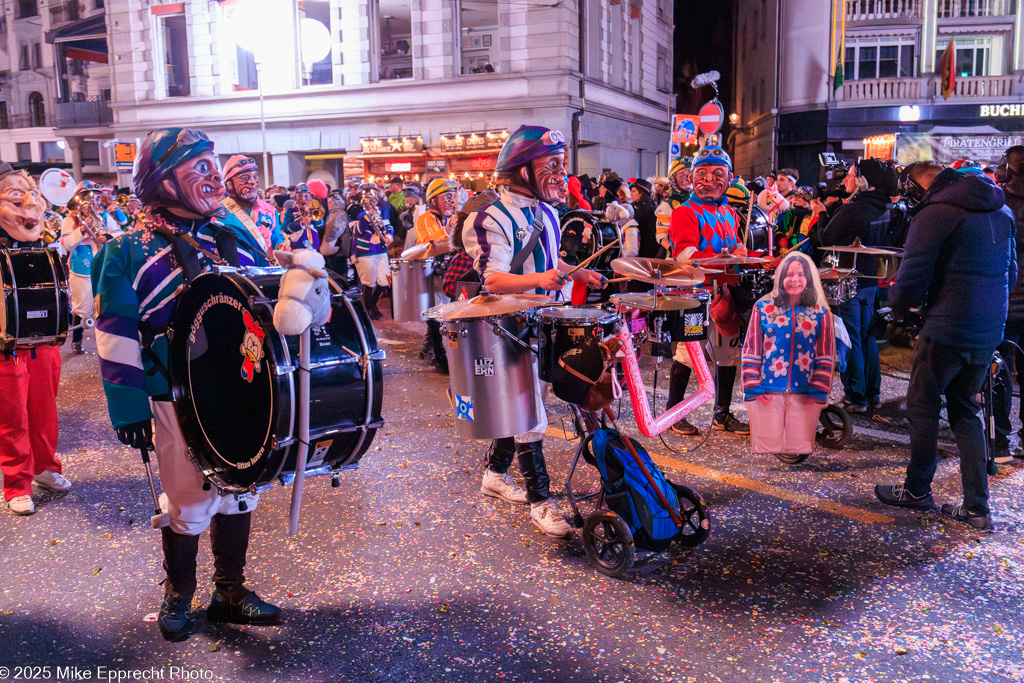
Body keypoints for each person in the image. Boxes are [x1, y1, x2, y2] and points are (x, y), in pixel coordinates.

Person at [92, 128, 281, 641]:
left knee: (242, 489)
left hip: (242, 389)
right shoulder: (125, 249)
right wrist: (128, 406)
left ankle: (230, 591)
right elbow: (114, 332)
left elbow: (267, 298)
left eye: (212, 164)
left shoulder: (234, 233)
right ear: (163, 181)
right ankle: (178, 591)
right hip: (173, 393)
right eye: (199, 166)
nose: (214, 175)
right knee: (189, 497)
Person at [462, 125, 604, 537]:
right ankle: (541, 502)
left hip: (546, 322)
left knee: (532, 404)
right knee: (531, 415)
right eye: (552, 166)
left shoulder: (546, 212)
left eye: (562, 164)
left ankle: (494, 474)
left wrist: (577, 272)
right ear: (523, 170)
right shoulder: (489, 216)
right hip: (511, 328)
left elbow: (550, 262)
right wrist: (542, 279)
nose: (561, 174)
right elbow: (493, 280)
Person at [874, 162, 1016, 532]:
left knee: (923, 405)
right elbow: (1011, 272)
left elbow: (912, 273)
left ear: (919, 187)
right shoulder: (1002, 209)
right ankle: (976, 508)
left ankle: (918, 490)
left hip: (947, 324)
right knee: (966, 408)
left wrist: (899, 312)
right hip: (988, 327)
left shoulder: (936, 212)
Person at [665, 145, 750, 436]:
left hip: (726, 294)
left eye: (717, 174)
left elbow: (736, 250)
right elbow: (685, 255)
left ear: (729, 178)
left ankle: (721, 414)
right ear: (691, 177)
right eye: (701, 174)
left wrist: (744, 253)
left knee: (728, 355)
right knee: (688, 354)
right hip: (695, 294)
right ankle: (674, 414)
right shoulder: (684, 212)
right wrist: (725, 257)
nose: (709, 180)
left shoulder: (730, 212)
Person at [0, 163, 68, 515]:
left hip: (43, 341)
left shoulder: (46, 244)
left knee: (44, 410)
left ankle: (45, 467)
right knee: (13, 418)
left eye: (31, 196)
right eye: (15, 197)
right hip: (5, 347)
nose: (29, 205)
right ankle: (16, 484)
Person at [817, 159, 896, 414]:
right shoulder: (888, 208)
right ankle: (873, 393)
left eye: (850, 176)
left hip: (847, 281)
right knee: (867, 336)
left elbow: (825, 238)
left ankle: (854, 396)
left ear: (863, 182)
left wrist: (822, 211)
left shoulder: (852, 210)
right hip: (870, 281)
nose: (845, 181)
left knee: (848, 339)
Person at [742, 252, 836, 465]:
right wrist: (753, 385)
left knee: (799, 437)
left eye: (801, 274)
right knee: (767, 437)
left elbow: (825, 354)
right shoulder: (762, 309)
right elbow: (752, 349)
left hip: (805, 391)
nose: (794, 279)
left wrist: (819, 387)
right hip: (768, 388)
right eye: (789, 274)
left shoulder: (821, 313)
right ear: (780, 279)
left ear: (809, 279)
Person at [60, 189, 117, 354]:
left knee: (104, 305)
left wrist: (108, 237)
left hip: (104, 264)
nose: (96, 204)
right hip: (81, 269)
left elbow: (120, 233)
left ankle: (105, 342)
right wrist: (83, 230)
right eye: (92, 201)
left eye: (97, 200)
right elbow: (67, 243)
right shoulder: (70, 220)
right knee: (82, 308)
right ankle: (77, 342)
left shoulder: (105, 217)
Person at [416, 178, 458, 372]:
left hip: (454, 270)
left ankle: (450, 353)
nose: (451, 201)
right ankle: (441, 360)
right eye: (446, 197)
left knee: (453, 313)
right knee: (436, 314)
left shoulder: (453, 217)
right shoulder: (423, 218)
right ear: (433, 200)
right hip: (435, 272)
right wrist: (450, 229)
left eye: (453, 197)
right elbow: (428, 243)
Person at [217, 155, 282, 266]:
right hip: (239, 273)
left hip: (269, 273)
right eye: (245, 178)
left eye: (255, 176)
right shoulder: (218, 212)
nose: (252, 181)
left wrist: (281, 245)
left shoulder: (270, 210)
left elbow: (276, 237)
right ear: (229, 184)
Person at [352, 183, 394, 320]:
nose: (373, 197)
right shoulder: (355, 211)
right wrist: (367, 215)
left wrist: (388, 236)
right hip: (365, 251)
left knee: (385, 280)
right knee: (369, 282)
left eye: (374, 194)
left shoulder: (383, 211)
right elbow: (357, 230)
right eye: (368, 194)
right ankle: (369, 309)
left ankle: (372, 305)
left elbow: (388, 226)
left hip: (381, 249)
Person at [656, 157, 692, 254]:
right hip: (675, 258)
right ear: (673, 179)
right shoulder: (667, 205)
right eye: (682, 175)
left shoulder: (698, 201)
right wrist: (673, 251)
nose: (688, 178)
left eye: (690, 174)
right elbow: (661, 235)